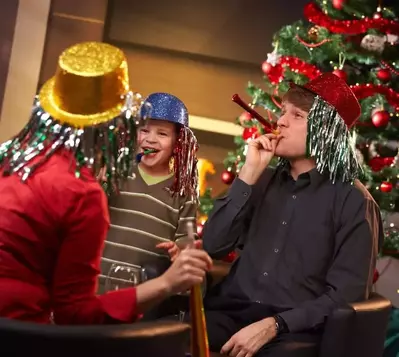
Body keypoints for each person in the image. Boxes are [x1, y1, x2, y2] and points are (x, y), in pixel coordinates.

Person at [0, 41, 212, 325]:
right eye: (141, 128)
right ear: (116, 128)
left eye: (161, 133)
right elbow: (74, 313)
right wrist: (165, 285)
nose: (148, 138)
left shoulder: (11, 157)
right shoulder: (84, 191)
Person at [201, 73, 383, 357]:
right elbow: (213, 245)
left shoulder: (354, 201)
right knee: (165, 339)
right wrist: (248, 174)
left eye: (297, 115)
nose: (281, 121)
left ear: (326, 130)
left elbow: (347, 296)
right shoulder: (260, 179)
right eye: (283, 112)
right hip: (227, 313)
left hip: (292, 331)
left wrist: (275, 325)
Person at [100, 92, 200, 288]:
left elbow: (186, 241)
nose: (151, 140)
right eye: (144, 131)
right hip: (96, 286)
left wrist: (179, 252)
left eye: (162, 134)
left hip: (143, 296)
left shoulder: (183, 193)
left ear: (177, 145)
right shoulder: (115, 175)